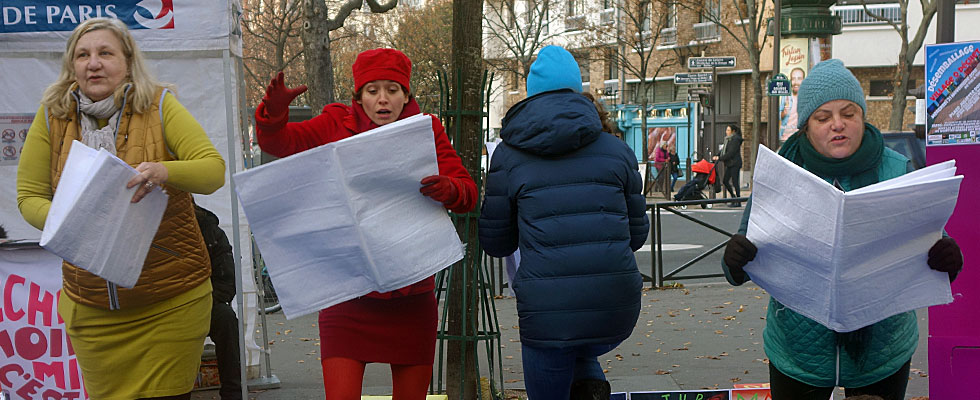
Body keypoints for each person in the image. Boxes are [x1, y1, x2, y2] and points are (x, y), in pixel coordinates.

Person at [721, 59, 964, 400]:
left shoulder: (898, 170)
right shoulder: (781, 175)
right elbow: (741, 259)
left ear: (863, 118)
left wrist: (949, 257)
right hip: (798, 353)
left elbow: (933, 243)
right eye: (823, 118)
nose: (838, 125)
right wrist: (735, 259)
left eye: (849, 113)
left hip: (882, 354)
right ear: (806, 126)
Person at [16, 18, 225, 399]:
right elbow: (28, 198)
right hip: (92, 309)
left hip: (170, 302)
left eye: (105, 53)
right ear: (71, 66)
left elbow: (213, 172)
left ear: (128, 62)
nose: (93, 63)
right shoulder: (52, 116)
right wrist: (74, 220)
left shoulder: (160, 105)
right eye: (82, 55)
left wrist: (164, 170)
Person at [254, 48, 477, 400]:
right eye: (373, 91)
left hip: (411, 293)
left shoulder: (426, 130)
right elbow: (280, 143)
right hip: (347, 293)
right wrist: (274, 114)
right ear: (358, 95)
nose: (383, 99)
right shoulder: (334, 123)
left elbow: (468, 192)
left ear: (407, 95)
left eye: (392, 89)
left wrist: (450, 189)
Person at [478, 45, 649, 400]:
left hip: (547, 313)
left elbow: (496, 243)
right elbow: (636, 236)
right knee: (580, 329)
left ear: (530, 95)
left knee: (557, 336)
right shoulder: (618, 150)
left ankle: (585, 376)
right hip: (616, 306)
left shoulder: (507, 156)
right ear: (578, 89)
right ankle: (588, 377)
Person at [195, 205, 243, 400]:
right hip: (166, 307)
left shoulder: (210, 230)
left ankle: (233, 392)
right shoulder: (153, 229)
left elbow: (226, 283)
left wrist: (198, 302)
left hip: (204, 302)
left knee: (226, 318)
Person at [712, 124, 743, 207]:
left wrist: (720, 158)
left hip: (735, 163)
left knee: (735, 182)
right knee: (725, 181)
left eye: (728, 130)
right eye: (726, 130)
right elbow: (723, 150)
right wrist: (717, 155)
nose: (727, 132)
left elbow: (731, 153)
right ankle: (733, 197)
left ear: (733, 131)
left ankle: (738, 201)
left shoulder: (735, 140)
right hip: (730, 163)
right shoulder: (728, 140)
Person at [779, 67, 806, 141]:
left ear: (804, 80)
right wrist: (784, 112)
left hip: (800, 139)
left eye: (799, 78)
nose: (795, 82)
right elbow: (778, 116)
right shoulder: (786, 97)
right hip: (785, 138)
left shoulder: (806, 98)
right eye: (793, 78)